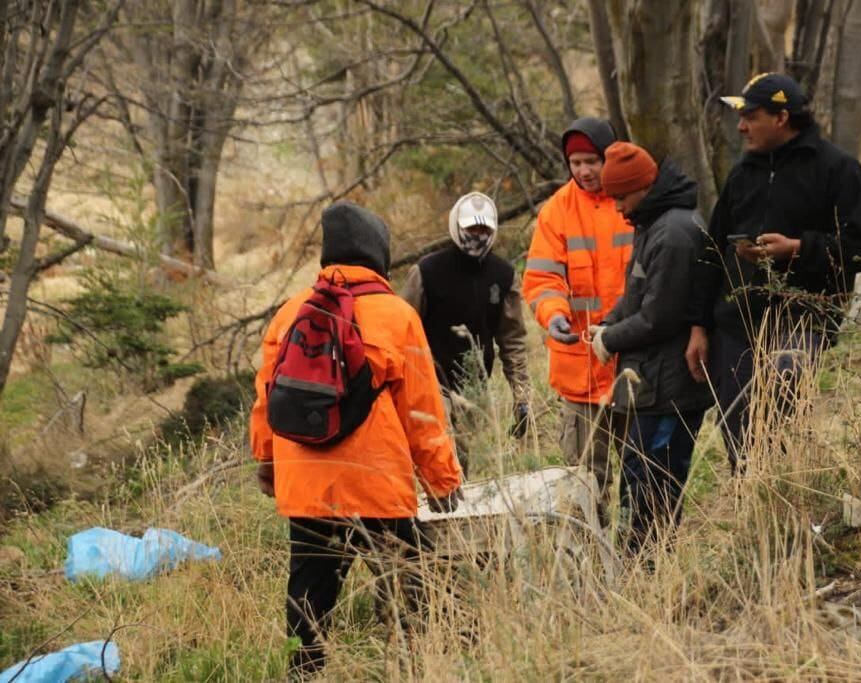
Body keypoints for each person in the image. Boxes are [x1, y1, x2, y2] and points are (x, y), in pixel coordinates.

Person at [250, 201, 462, 679]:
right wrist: (443, 480)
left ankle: (303, 673)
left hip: (306, 486)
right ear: (378, 254)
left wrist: (268, 464)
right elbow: (422, 413)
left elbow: (265, 399)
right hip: (376, 485)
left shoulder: (289, 314)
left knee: (308, 595)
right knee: (414, 583)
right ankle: (418, 666)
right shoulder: (396, 315)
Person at [687, 72, 861, 469]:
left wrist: (797, 249)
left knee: (781, 386)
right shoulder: (743, 174)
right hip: (737, 322)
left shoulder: (839, 170)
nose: (741, 126)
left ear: (781, 117)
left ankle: (786, 489)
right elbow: (712, 251)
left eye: (751, 116)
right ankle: (755, 508)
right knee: (737, 421)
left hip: (803, 317)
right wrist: (699, 326)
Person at [587, 142, 713, 553]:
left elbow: (661, 316)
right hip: (649, 386)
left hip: (669, 387)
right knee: (638, 480)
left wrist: (610, 339)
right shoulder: (651, 223)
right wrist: (608, 322)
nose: (619, 208)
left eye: (622, 197)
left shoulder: (674, 233)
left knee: (654, 486)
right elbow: (636, 295)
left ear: (644, 186)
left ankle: (648, 568)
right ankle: (639, 567)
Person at [523, 117, 633, 519]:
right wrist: (553, 316)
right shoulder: (556, 212)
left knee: (645, 475)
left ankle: (647, 558)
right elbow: (541, 278)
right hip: (581, 371)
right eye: (576, 163)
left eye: (593, 161)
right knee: (586, 483)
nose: (585, 171)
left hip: (634, 364)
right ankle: (592, 567)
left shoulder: (634, 200)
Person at [401, 192, 531, 473]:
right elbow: (401, 328)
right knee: (437, 453)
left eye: (484, 229)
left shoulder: (503, 275)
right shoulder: (426, 272)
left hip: (475, 385)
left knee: (463, 459)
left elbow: (513, 340)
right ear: (456, 226)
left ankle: (461, 514)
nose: (477, 236)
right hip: (430, 381)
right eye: (471, 228)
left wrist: (521, 395)